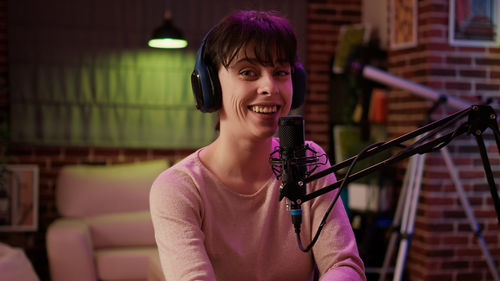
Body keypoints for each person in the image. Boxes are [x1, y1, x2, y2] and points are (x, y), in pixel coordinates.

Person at [150, 10, 366, 281]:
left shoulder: (309, 159)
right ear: (211, 86)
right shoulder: (178, 189)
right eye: (248, 72)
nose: (269, 86)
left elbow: (344, 264)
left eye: (280, 72)